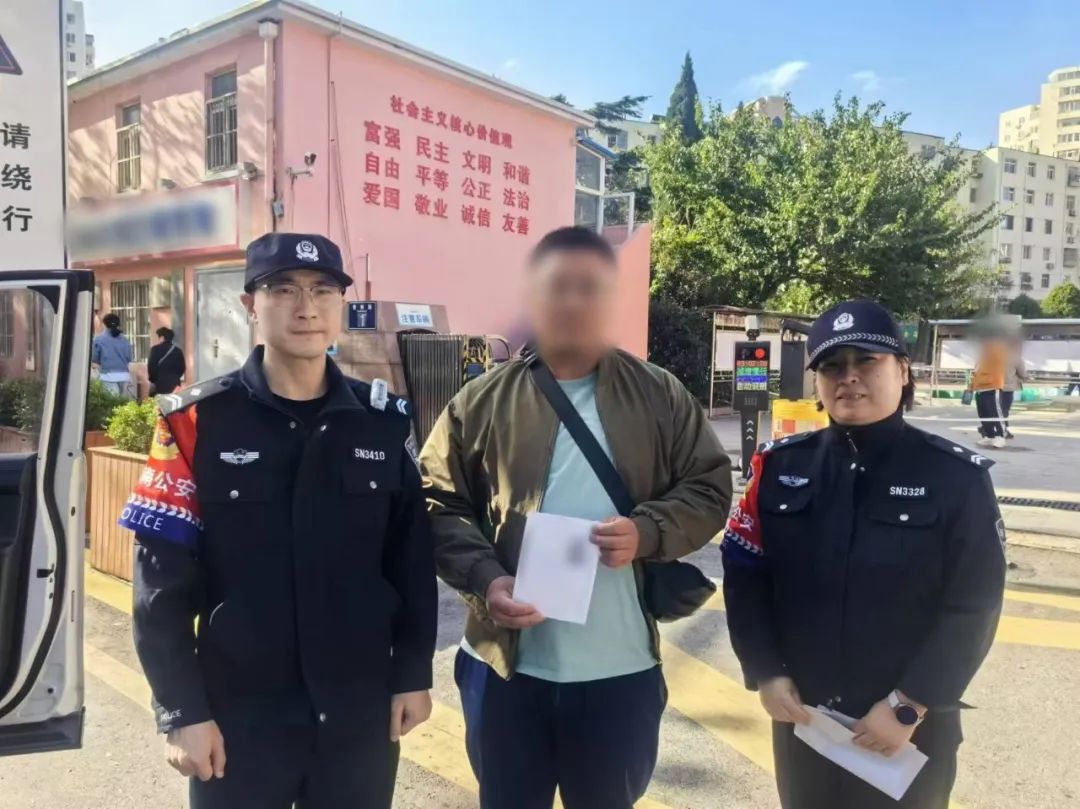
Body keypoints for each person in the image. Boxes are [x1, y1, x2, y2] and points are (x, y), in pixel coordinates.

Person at [118, 233, 437, 809]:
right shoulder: (194, 425)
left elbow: (410, 560)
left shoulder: (382, 422)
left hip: (357, 713)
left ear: (341, 304)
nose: (306, 307)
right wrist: (182, 710)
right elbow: (160, 584)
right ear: (251, 305)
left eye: (323, 290)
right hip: (238, 718)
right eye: (283, 289)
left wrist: (413, 672)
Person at [421, 226, 733, 809]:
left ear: (611, 300)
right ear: (532, 297)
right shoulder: (479, 403)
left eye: (589, 287)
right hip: (505, 669)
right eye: (556, 286)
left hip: (620, 672)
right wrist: (488, 580)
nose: (571, 301)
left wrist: (648, 531)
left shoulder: (660, 395)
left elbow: (710, 487)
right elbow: (437, 502)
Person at [722, 299, 1006, 809]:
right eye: (832, 365)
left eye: (866, 361)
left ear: (903, 371)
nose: (848, 377)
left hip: (910, 730)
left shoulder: (954, 477)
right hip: (806, 721)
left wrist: (909, 704)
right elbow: (745, 576)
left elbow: (975, 603)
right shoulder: (780, 468)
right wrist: (766, 671)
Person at [968, 328, 1010, 448]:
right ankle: (989, 435)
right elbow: (976, 371)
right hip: (979, 388)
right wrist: (971, 386)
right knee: (983, 413)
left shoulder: (998, 349)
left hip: (992, 386)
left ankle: (1001, 436)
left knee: (995, 412)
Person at [92, 312, 134, 398]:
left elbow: (94, 359)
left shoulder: (98, 340)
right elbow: (129, 358)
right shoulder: (125, 340)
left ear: (104, 324)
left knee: (112, 403)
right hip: (124, 376)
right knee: (123, 404)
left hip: (108, 376)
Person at [1000, 333, 1027, 440]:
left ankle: (997, 428)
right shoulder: (1015, 357)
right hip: (1008, 386)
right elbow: (1022, 373)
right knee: (1005, 409)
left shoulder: (998, 355)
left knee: (998, 408)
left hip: (995, 385)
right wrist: (1024, 378)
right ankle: (1004, 429)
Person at [147, 326, 187, 395]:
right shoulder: (178, 351)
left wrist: (153, 380)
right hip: (175, 386)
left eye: (159, 337)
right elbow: (182, 368)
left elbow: (151, 368)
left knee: (159, 402)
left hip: (159, 386)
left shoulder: (155, 350)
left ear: (162, 337)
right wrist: (175, 378)